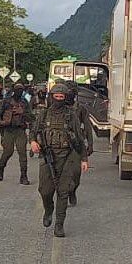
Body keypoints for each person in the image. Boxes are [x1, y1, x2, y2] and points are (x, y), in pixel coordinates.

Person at [30, 80, 88, 238]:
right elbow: (33, 132)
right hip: (47, 157)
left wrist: (84, 158)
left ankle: (59, 225)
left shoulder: (71, 116)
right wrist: (33, 142)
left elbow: (80, 138)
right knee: (45, 191)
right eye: (56, 96)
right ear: (51, 97)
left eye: (62, 96)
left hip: (67, 157)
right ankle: (48, 210)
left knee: (63, 192)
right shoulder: (43, 114)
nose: (59, 99)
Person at [0, 82, 32, 185]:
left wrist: (23, 113)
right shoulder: (6, 102)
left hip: (20, 130)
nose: (19, 92)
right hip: (8, 130)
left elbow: (31, 117)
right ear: (13, 91)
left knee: (22, 153)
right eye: (17, 90)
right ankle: (0, 167)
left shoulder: (24, 102)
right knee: (8, 152)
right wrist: (1, 122)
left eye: (21, 90)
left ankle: (23, 176)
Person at [68, 92, 97, 206]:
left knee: (76, 174)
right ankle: (63, 196)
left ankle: (72, 191)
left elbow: (87, 127)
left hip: (76, 144)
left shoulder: (80, 109)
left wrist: (90, 144)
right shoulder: (56, 107)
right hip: (59, 145)